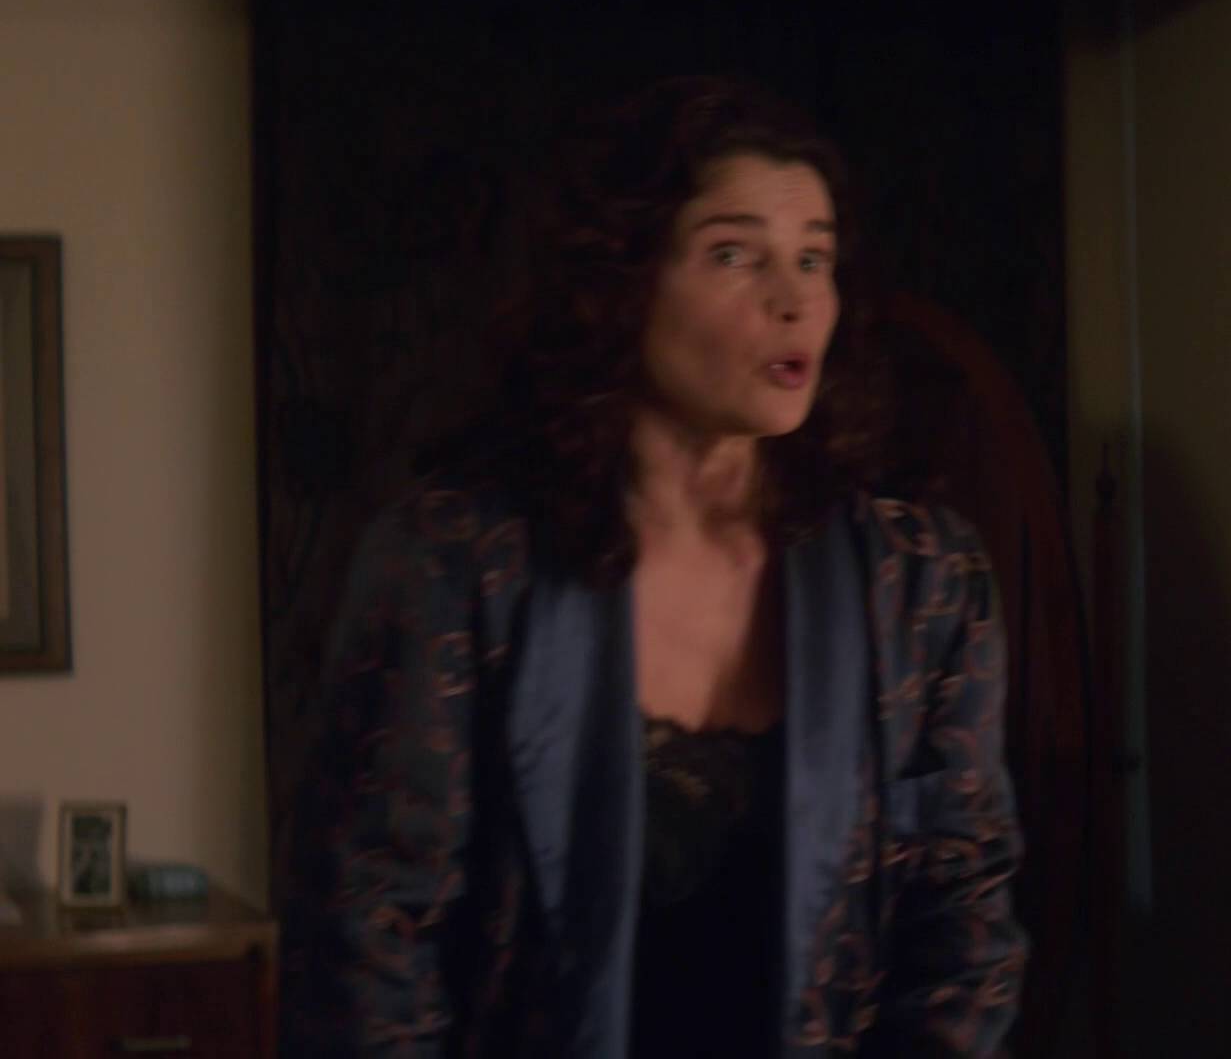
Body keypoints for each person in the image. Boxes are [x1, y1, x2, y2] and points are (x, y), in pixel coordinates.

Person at [278, 75, 1028, 1057]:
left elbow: (964, 922)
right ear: (621, 286)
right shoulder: (455, 565)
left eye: (814, 257)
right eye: (734, 254)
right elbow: (369, 936)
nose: (795, 299)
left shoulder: (921, 581)